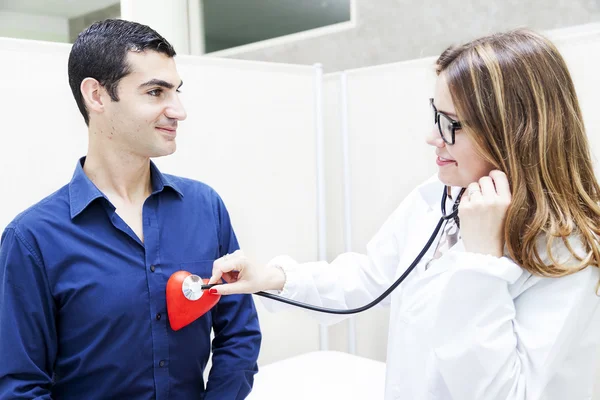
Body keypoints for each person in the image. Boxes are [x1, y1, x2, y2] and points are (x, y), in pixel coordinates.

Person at [208, 29, 600, 399]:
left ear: (514, 130)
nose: (432, 137)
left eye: (451, 125)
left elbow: (504, 392)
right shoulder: (438, 199)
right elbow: (372, 279)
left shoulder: (568, 252)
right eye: (436, 115)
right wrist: (271, 278)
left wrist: (482, 263)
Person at [0, 19, 261, 399]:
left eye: (176, 91)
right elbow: (20, 386)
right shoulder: (32, 240)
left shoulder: (206, 209)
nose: (178, 111)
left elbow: (239, 337)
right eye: (155, 92)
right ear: (97, 96)